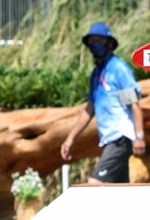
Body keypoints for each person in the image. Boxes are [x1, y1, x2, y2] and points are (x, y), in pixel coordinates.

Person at [60, 22, 145, 184]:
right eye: (92, 41)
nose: (95, 45)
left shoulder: (118, 69)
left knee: (94, 185)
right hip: (109, 140)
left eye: (100, 40)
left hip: (120, 138)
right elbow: (89, 110)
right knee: (119, 193)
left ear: (110, 44)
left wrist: (139, 137)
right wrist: (70, 139)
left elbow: (134, 104)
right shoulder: (96, 74)